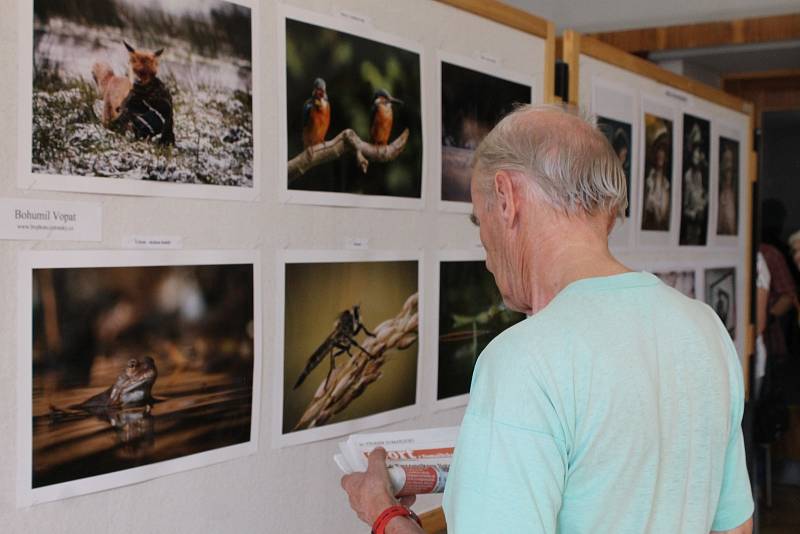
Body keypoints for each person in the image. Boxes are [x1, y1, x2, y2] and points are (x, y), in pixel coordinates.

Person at [341, 105, 753, 534]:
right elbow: (736, 528)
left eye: (478, 219)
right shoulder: (704, 329)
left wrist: (384, 513)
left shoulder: (524, 361)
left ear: (506, 198)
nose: (484, 244)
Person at [642, 122, 671, 231]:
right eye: (659, 149)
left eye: (663, 150)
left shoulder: (666, 184)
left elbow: (661, 218)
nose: (660, 154)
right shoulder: (649, 180)